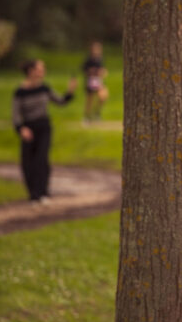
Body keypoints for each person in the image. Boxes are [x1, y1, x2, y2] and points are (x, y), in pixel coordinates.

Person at [12, 59, 77, 203]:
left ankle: (43, 192)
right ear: (31, 71)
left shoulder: (44, 88)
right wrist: (21, 129)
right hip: (28, 128)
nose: (43, 71)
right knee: (28, 163)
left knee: (41, 160)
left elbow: (61, 101)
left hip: (43, 127)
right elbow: (15, 115)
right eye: (40, 69)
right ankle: (33, 194)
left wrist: (70, 91)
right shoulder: (20, 91)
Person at [81, 41, 109, 122]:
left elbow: (102, 69)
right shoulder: (89, 59)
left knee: (103, 96)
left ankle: (96, 113)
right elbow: (84, 69)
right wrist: (92, 72)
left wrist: (103, 72)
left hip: (98, 80)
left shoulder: (100, 59)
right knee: (89, 99)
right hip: (91, 80)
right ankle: (87, 116)